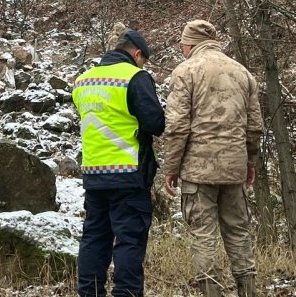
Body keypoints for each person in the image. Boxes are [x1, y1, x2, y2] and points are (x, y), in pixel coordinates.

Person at [161, 20, 264, 297]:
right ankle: (248, 291)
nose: (182, 49)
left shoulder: (185, 72)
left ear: (191, 43)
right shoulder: (243, 73)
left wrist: (171, 167)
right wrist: (249, 162)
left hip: (197, 171)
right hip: (234, 168)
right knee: (239, 233)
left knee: (204, 238)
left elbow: (177, 125)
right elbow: (254, 126)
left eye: (183, 44)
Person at [72, 28, 165, 297]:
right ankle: (127, 293)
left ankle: (89, 292)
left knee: (93, 238)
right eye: (143, 59)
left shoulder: (83, 81)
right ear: (137, 54)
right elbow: (155, 123)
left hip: (93, 173)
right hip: (128, 173)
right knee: (129, 240)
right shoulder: (135, 77)